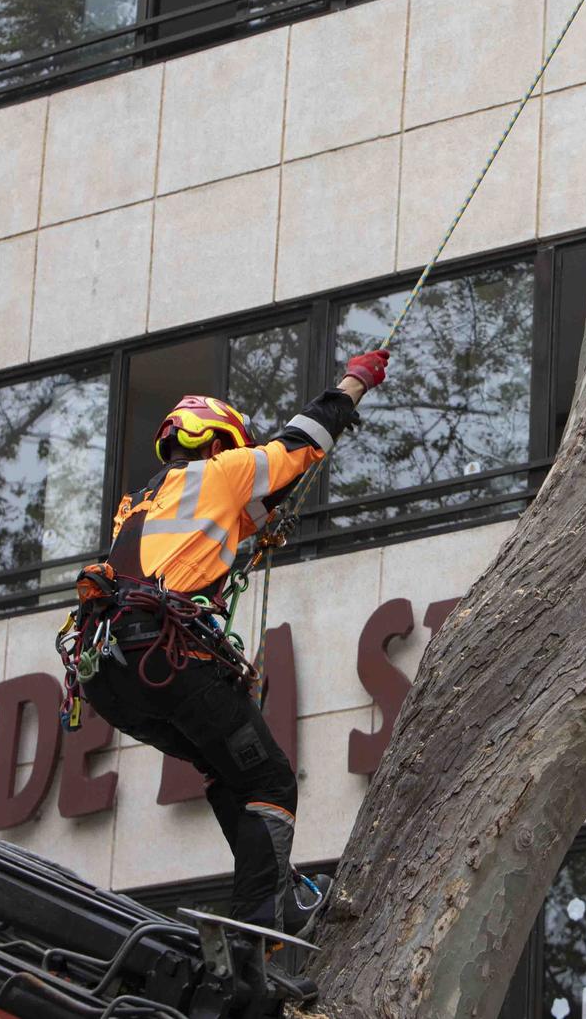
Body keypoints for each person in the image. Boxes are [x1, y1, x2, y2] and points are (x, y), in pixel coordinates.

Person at [68, 349, 390, 1004]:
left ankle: (273, 889)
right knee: (270, 779)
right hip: (169, 658)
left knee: (229, 772)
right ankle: (257, 934)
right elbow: (301, 445)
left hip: (111, 672)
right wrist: (355, 382)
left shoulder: (139, 503)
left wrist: (262, 524)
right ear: (223, 440)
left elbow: (242, 519)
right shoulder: (224, 470)